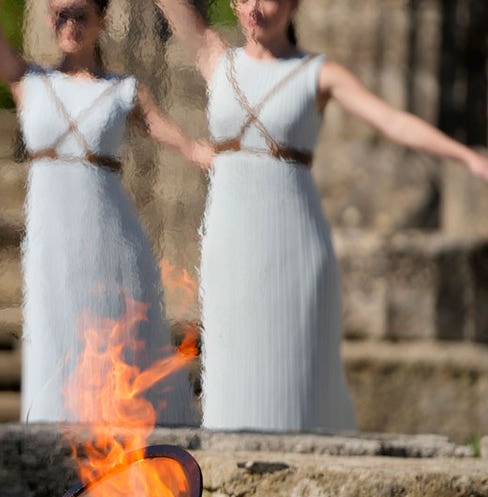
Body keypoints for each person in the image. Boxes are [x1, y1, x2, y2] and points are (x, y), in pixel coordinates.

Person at [153, 0, 488, 432]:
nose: (256, 7)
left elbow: (392, 121)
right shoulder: (215, 57)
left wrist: (466, 157)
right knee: (232, 361)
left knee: (291, 369)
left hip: (293, 236)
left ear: (293, 5)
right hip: (229, 235)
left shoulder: (318, 73)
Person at [0, 0, 208, 424]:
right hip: (51, 232)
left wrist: (214, 157)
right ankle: (55, 434)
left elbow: (179, 140)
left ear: (102, 21)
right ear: (48, 19)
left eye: (79, 13)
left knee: (116, 327)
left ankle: (128, 433)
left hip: (110, 233)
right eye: (60, 13)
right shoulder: (29, 80)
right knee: (54, 325)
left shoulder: (122, 90)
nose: (69, 24)